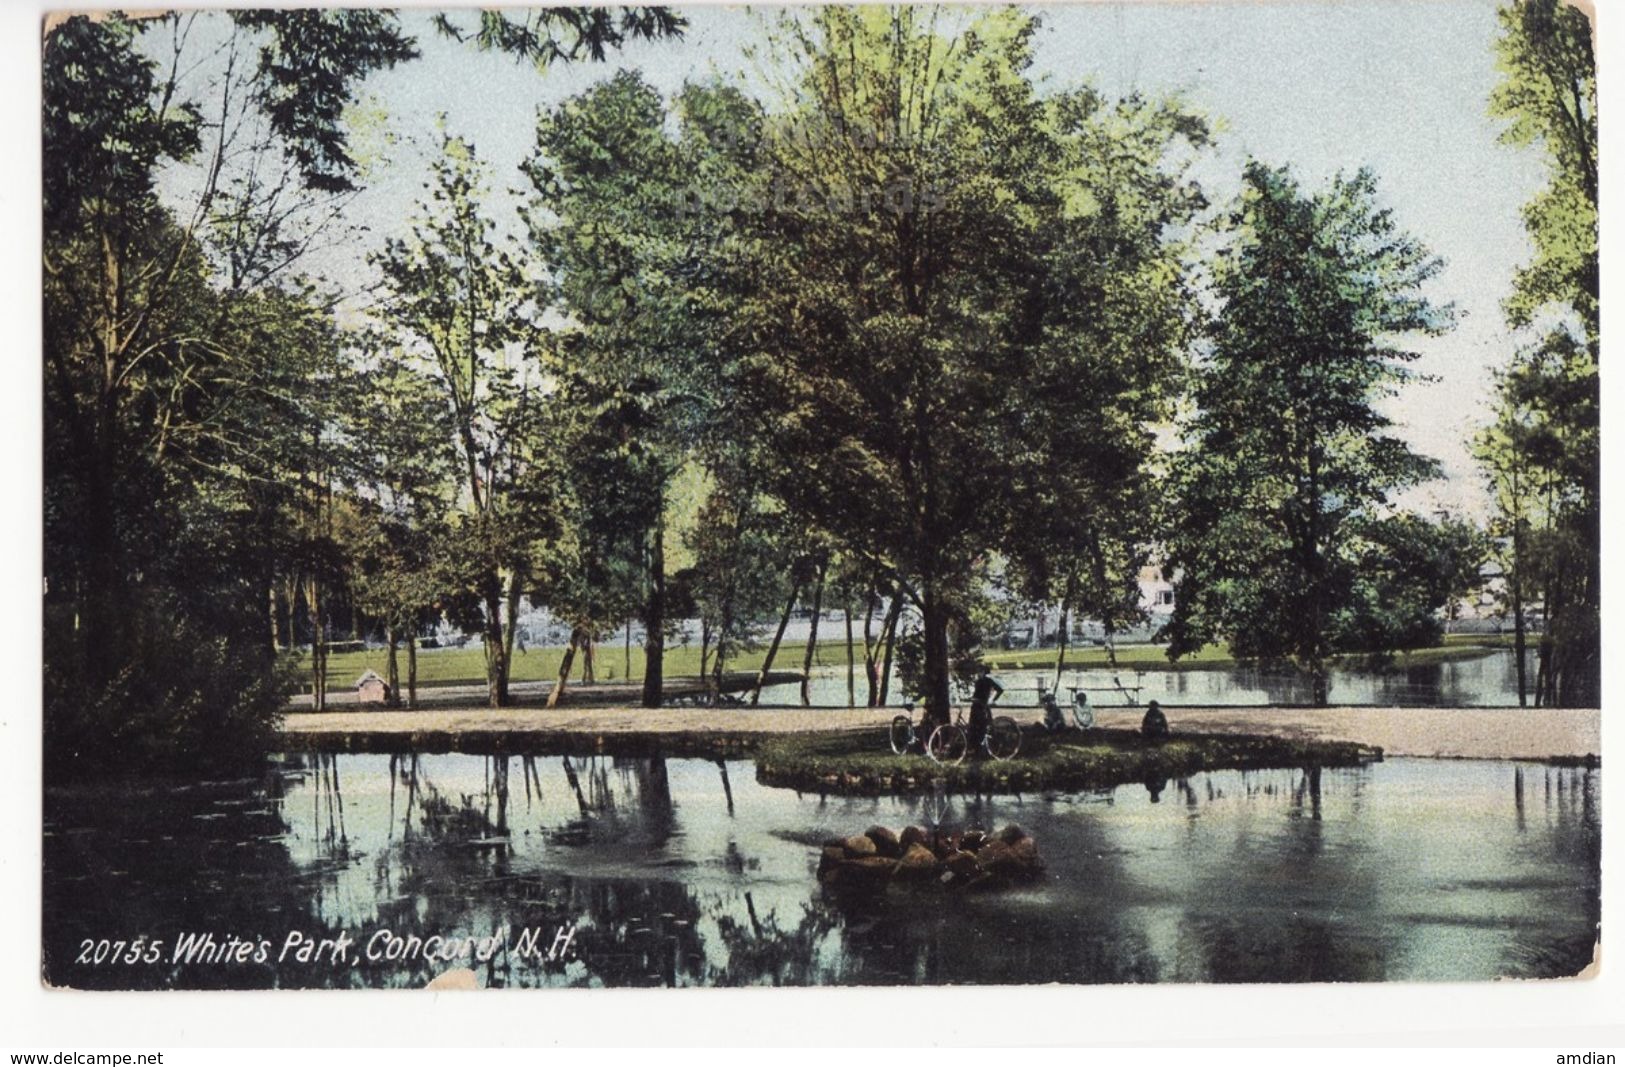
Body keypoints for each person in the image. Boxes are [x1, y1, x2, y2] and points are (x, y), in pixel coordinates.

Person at [968, 665, 1004, 751]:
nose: (978, 673)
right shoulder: (980, 681)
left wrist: (992, 700)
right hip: (977, 706)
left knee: (980, 727)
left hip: (981, 706)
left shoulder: (986, 681)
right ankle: (977, 747)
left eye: (980, 672)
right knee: (974, 727)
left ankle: (982, 748)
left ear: (984, 672)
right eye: (978, 672)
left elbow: (1000, 690)